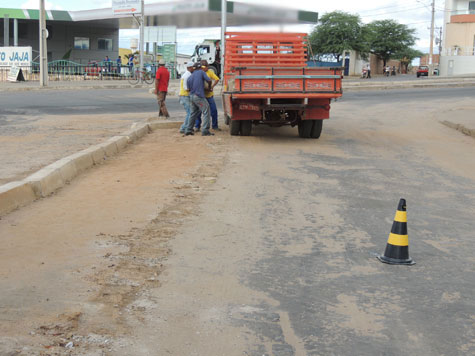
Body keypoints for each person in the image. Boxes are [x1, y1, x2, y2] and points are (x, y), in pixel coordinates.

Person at [185, 62, 213, 136]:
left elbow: (189, 88)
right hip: (199, 96)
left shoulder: (190, 77)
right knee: (206, 110)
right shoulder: (201, 72)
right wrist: (209, 87)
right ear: (200, 68)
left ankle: (189, 130)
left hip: (191, 96)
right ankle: (205, 130)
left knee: (193, 113)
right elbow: (209, 80)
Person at [194, 60, 220, 132]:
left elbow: (217, 79)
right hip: (201, 96)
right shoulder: (198, 73)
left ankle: (215, 126)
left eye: (207, 67)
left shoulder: (210, 72)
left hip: (209, 96)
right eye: (205, 67)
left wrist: (212, 86)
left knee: (213, 111)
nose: (206, 68)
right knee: (198, 112)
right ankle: (197, 126)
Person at [179, 62, 194, 134]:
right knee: (190, 112)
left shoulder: (187, 74)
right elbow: (186, 88)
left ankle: (186, 127)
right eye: (193, 67)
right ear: (190, 68)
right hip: (185, 95)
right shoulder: (187, 75)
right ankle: (184, 127)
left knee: (190, 112)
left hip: (184, 95)